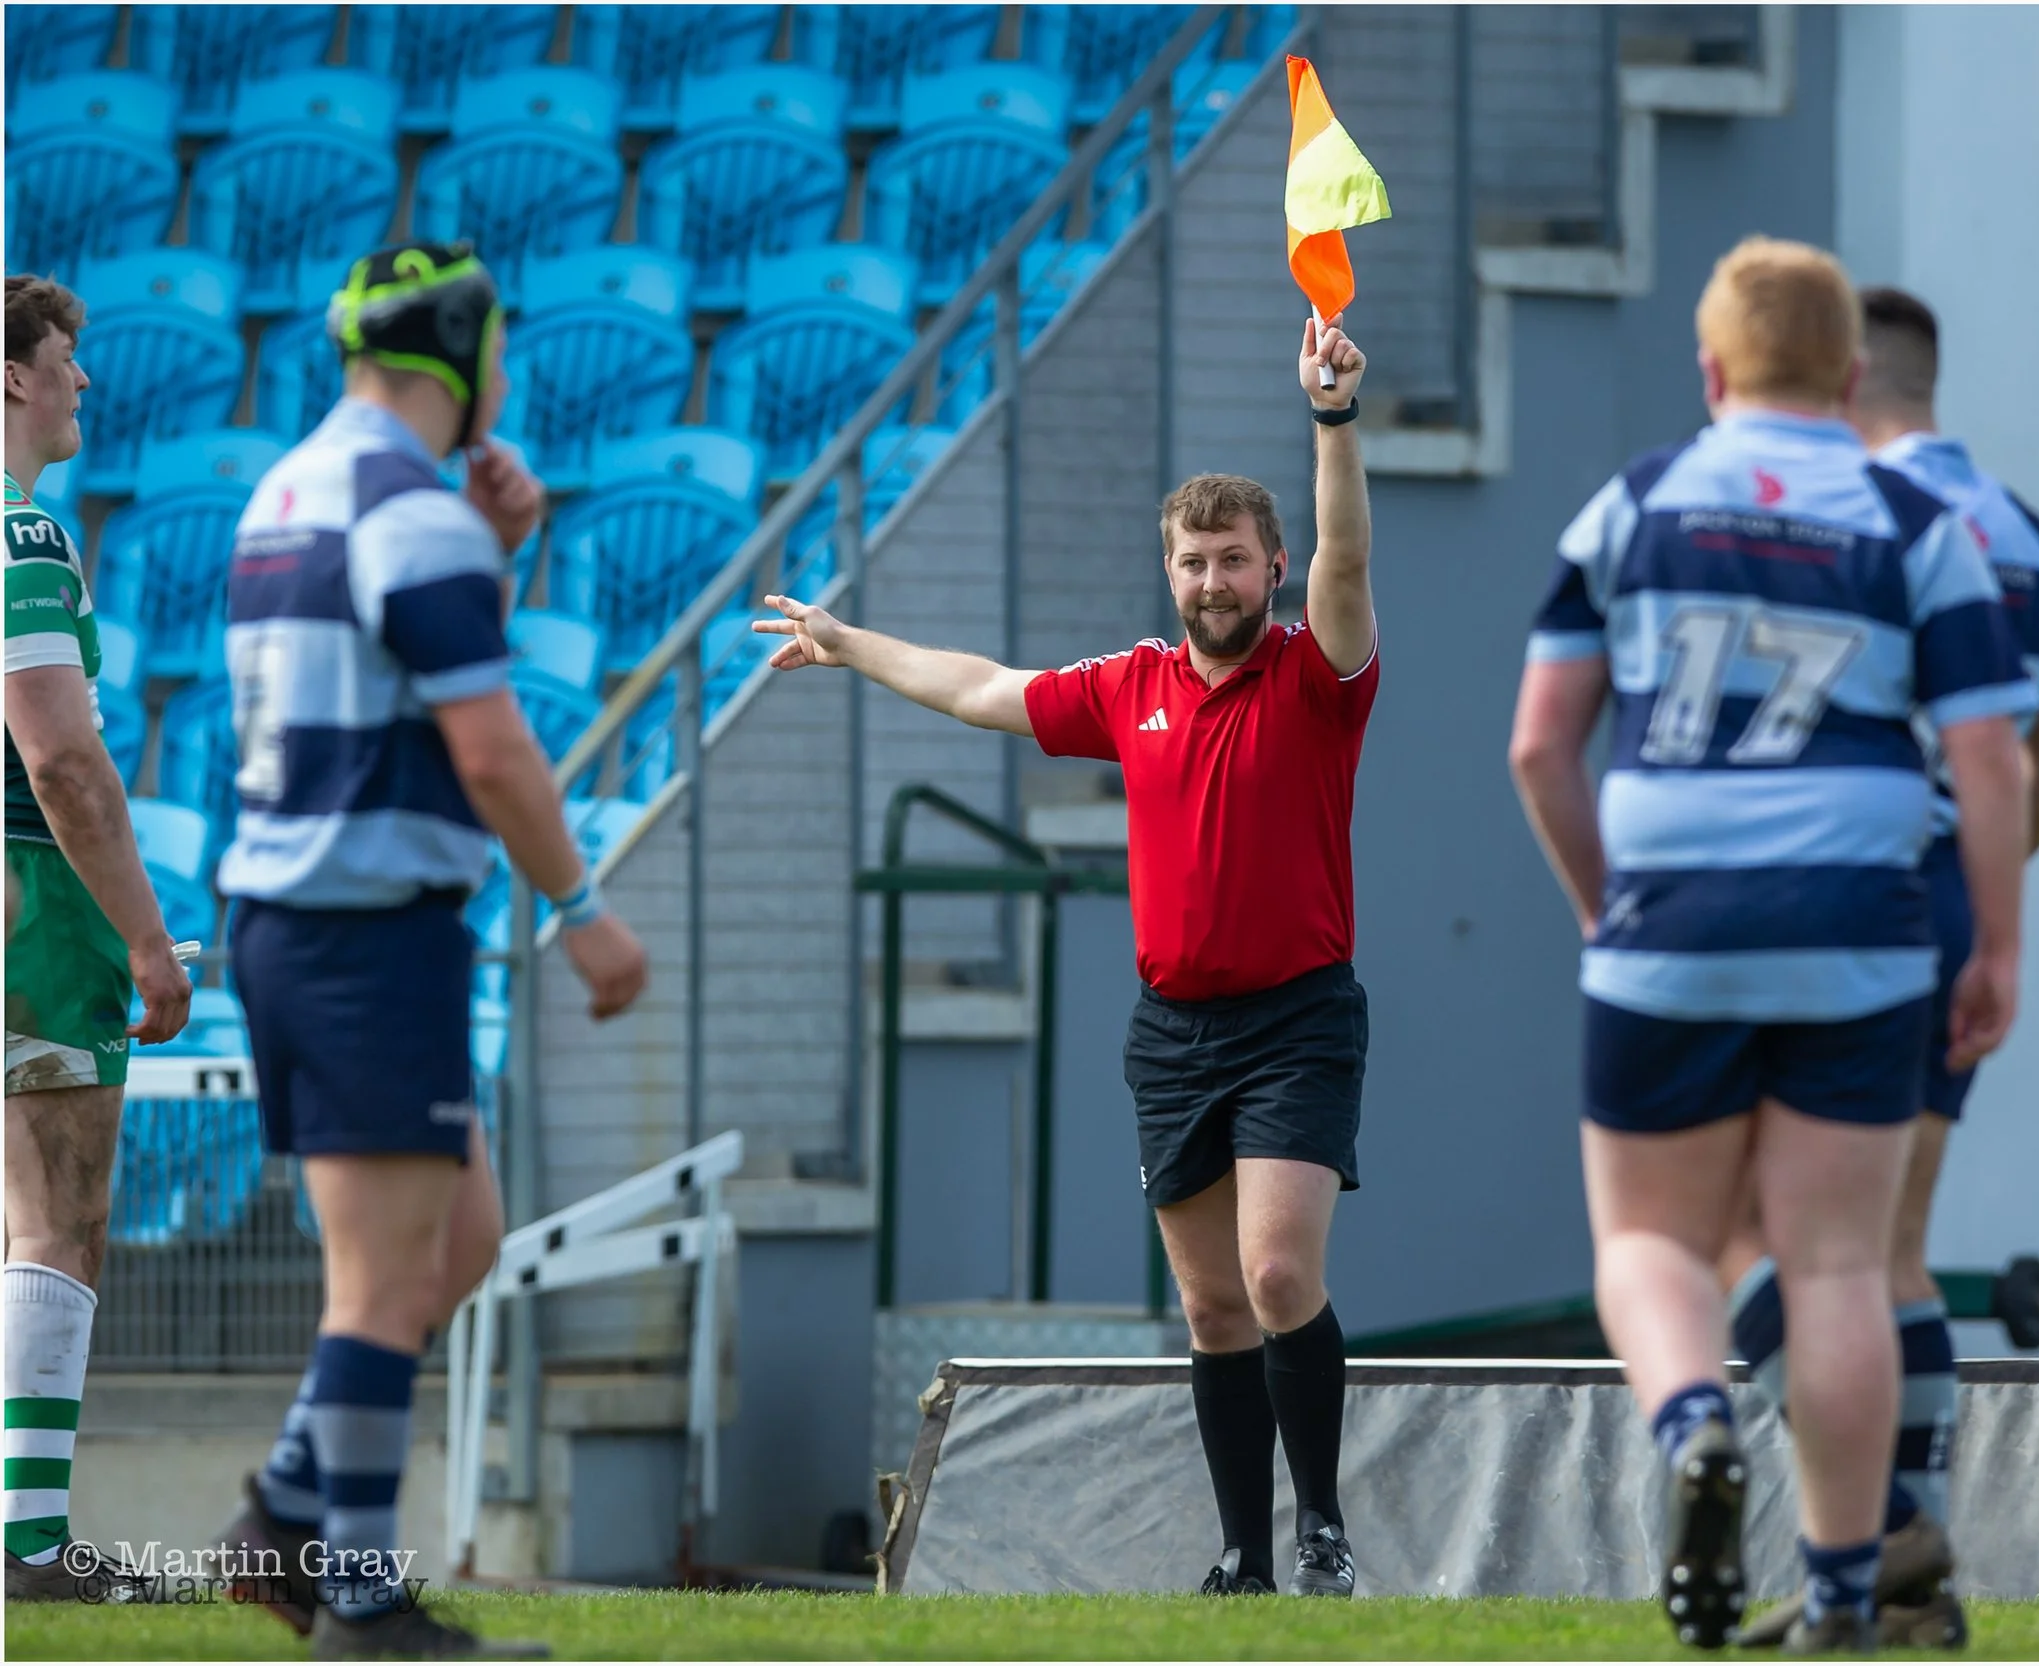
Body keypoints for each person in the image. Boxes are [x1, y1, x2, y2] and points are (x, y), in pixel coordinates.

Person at [757, 317, 1376, 1599]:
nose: (1212, 582)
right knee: (1211, 1310)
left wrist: (1331, 423)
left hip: (1299, 1018)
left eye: (1234, 562)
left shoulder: (1316, 676)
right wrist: (848, 642)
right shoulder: (1131, 685)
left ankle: (1320, 1526)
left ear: (1272, 571)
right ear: (1172, 573)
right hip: (1172, 1031)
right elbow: (983, 686)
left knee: (1275, 1273)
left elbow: (1351, 558)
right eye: (1193, 562)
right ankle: (1242, 1559)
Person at [1507, 238, 2036, 1652]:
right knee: (1841, 1266)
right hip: (1861, 922)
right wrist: (1995, 948)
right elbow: (1992, 759)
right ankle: (1847, 1598)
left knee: (1648, 1237)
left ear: (1710, 366)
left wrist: (1603, 898)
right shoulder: (1913, 519)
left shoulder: (1631, 504)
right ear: (1853, 375)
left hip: (1670, 912)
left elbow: (1539, 746)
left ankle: (1692, 1423)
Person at [205, 242, 649, 1660]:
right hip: (362, 933)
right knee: (384, 1285)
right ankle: (360, 1605)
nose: (505, 380)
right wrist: (584, 915)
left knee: (462, 1239)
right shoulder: (414, 515)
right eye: (497, 353)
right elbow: (493, 750)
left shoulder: (286, 488)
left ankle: (278, 1517)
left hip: (304, 922)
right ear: (457, 354)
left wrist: (495, 555)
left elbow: (395, 680)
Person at [1725, 285, 2039, 1652]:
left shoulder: (1844, 517)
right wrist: (1985, 896)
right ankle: (1908, 1585)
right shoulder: (2038, 538)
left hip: (1835, 896)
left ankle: (1873, 1535)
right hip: (1948, 902)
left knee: (1738, 1234)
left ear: (1842, 377)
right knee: (1894, 1249)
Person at [2, 274, 194, 1602]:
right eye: (69, 359)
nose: (86, 381)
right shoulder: (24, 539)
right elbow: (64, 759)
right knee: (58, 1215)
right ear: (15, 375)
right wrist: (147, 935)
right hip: (30, 897)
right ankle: (30, 1546)